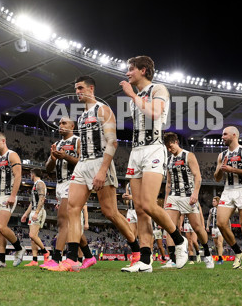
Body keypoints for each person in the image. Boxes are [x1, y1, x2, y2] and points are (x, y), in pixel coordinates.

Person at [48, 76, 140, 272]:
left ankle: (136, 251)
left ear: (91, 88)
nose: (77, 92)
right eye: (75, 88)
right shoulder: (81, 117)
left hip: (100, 162)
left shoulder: (103, 110)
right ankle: (72, 259)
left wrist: (102, 170)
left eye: (80, 88)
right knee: (72, 209)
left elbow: (112, 142)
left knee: (110, 213)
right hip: (83, 164)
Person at [120, 56, 188, 272]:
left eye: (131, 69)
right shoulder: (137, 95)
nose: (127, 73)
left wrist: (131, 95)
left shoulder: (158, 89)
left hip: (153, 149)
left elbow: (156, 113)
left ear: (143, 70)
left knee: (149, 204)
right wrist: (133, 96)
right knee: (139, 209)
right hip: (135, 152)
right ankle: (146, 261)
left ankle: (179, 240)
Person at [42, 116, 97, 271]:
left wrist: (66, 156)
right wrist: (53, 159)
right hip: (60, 185)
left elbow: (84, 162)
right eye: (59, 123)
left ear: (72, 126)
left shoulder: (78, 141)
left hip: (73, 182)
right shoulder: (57, 144)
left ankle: (56, 258)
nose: (61, 125)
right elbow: (48, 168)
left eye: (64, 123)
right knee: (72, 226)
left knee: (63, 222)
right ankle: (89, 256)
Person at [162, 132, 214, 269]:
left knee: (197, 227)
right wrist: (165, 201)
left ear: (176, 142)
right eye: (167, 147)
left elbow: (198, 176)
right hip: (173, 196)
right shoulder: (168, 160)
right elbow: (168, 183)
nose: (169, 149)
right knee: (169, 228)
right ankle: (172, 260)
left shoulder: (189, 155)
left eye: (170, 146)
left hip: (188, 195)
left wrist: (195, 193)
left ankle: (207, 254)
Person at [214, 126, 242, 269]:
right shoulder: (222, 155)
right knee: (220, 223)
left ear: (234, 135)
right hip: (228, 189)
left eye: (225, 134)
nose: (222, 137)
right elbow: (217, 179)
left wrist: (233, 170)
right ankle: (238, 252)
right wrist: (221, 169)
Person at [0, 132, 26, 268]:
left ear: (3, 141)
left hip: (7, 195)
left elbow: (18, 176)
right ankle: (1, 261)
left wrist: (13, 196)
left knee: (2, 226)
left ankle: (19, 248)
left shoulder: (12, 155)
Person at [21, 168, 50, 266]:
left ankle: (45, 252)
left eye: (30, 173)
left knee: (32, 235)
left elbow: (42, 199)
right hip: (34, 210)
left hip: (38, 211)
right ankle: (34, 260)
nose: (30, 175)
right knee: (33, 238)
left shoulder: (40, 183)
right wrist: (25, 214)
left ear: (33, 174)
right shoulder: (35, 184)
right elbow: (33, 202)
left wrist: (37, 213)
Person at [206, 196, 224, 264]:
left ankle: (220, 258)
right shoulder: (211, 210)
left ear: (217, 202)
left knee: (220, 243)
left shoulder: (222, 209)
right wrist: (207, 226)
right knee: (216, 244)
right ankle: (219, 256)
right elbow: (209, 218)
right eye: (212, 201)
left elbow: (227, 219)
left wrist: (228, 227)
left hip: (220, 228)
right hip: (213, 228)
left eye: (214, 201)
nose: (212, 202)